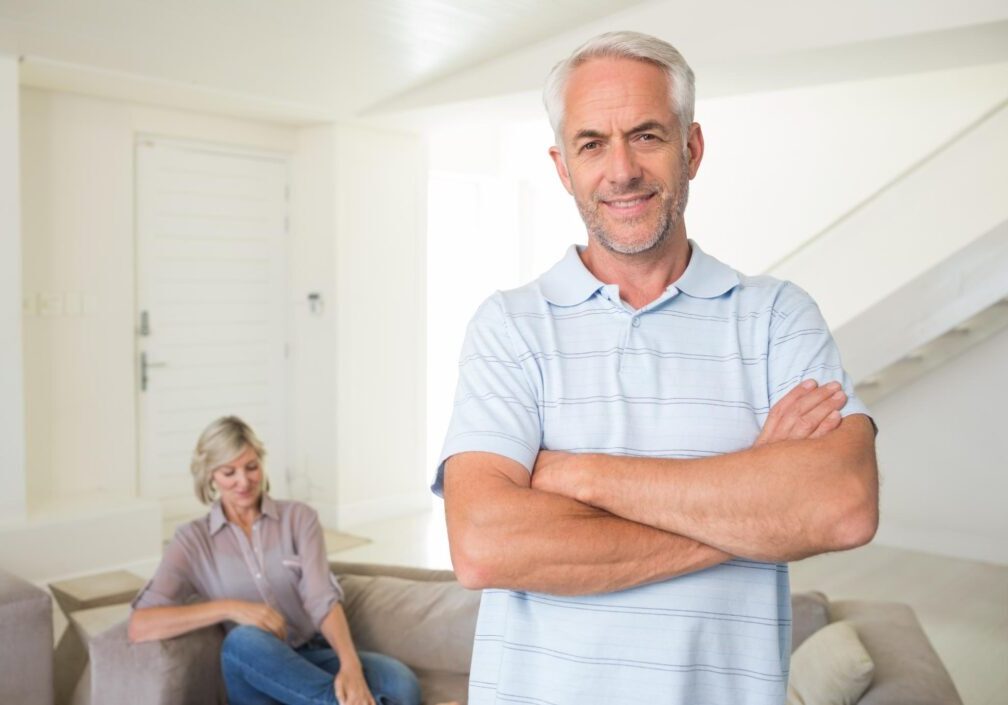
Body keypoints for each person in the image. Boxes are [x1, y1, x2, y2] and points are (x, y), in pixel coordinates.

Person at [434, 31, 879, 704]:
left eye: (646, 136)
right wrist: (748, 508)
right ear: (562, 167)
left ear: (691, 148)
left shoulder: (777, 317)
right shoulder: (509, 326)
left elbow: (841, 507)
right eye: (592, 144)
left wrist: (579, 474)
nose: (621, 170)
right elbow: (484, 546)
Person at [129, 416, 422, 705]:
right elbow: (140, 625)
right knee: (243, 640)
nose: (243, 481)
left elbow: (322, 600)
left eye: (251, 467)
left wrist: (351, 667)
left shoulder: (299, 518)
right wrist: (230, 608)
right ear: (210, 476)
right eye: (229, 472)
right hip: (254, 669)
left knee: (399, 680)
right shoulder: (192, 541)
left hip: (312, 655)